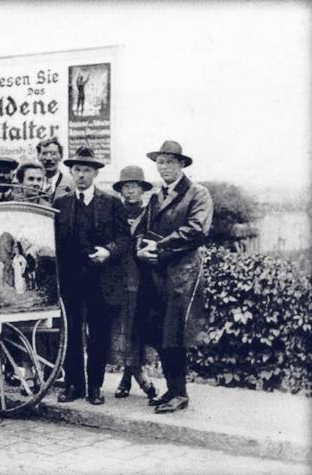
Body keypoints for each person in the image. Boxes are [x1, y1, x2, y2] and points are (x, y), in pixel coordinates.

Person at [135, 140, 213, 414]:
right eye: (160, 162)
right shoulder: (157, 196)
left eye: (169, 162)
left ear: (181, 164)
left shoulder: (197, 194)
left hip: (183, 275)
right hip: (157, 274)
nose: (163, 167)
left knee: (175, 333)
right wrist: (141, 247)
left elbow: (196, 230)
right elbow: (142, 228)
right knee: (160, 332)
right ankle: (173, 389)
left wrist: (159, 246)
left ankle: (180, 393)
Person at [54, 146, 130, 405]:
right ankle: (74, 384)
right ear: (71, 172)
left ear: (96, 173)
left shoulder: (111, 203)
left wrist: (108, 251)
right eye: (77, 170)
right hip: (71, 280)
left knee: (98, 334)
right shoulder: (60, 204)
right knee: (71, 332)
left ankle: (95, 387)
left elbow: (124, 239)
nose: (81, 175)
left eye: (87, 170)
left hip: (101, 280)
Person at [109, 165, 158, 401]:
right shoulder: (114, 211)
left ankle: (129, 378)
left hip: (144, 280)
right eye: (126, 187)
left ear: (142, 189)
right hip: (118, 280)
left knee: (137, 331)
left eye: (134, 186)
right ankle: (135, 378)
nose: (130, 192)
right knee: (123, 331)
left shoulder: (150, 214)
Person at [36, 138, 74, 202]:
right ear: (38, 156)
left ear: (61, 156)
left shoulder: (71, 185)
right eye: (44, 153)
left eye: (53, 153)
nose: (48, 158)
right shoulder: (31, 183)